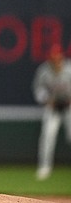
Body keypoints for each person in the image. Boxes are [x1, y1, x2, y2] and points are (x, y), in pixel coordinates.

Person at [32, 44, 71, 181]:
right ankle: (44, 167)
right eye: (53, 57)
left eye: (57, 57)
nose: (55, 59)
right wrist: (47, 100)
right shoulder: (44, 70)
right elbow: (38, 90)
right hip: (53, 107)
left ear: (61, 56)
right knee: (47, 137)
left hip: (69, 106)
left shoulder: (69, 69)